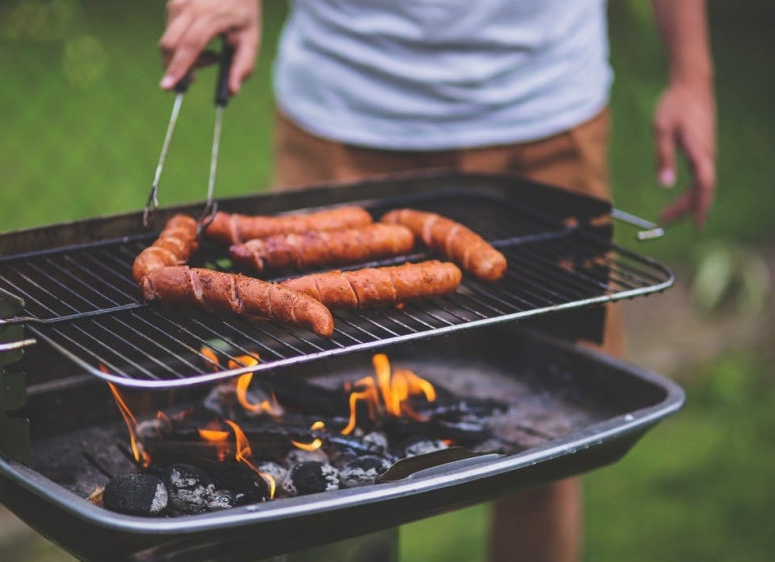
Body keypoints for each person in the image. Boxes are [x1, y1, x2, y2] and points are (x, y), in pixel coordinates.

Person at [159, 1, 716, 561]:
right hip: (346, 110)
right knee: (310, 454)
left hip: (544, 113)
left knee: (550, 446)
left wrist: (692, 77)